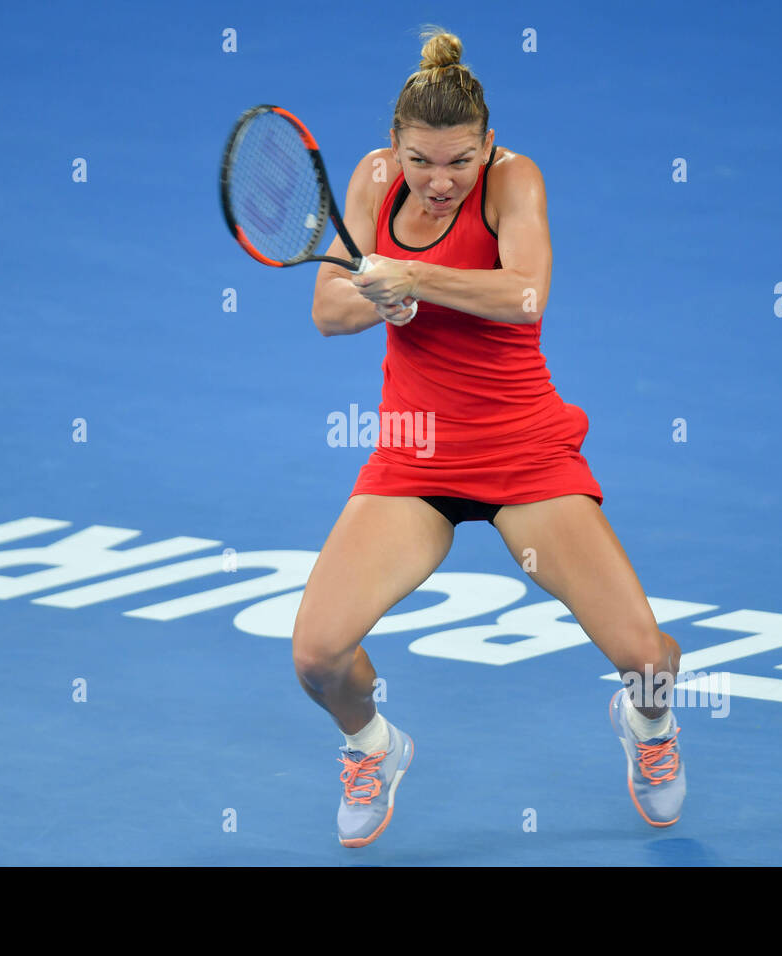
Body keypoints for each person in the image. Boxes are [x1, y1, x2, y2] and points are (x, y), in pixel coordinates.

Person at [302, 26, 685, 848]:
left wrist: (414, 278)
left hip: (524, 456)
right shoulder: (371, 182)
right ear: (393, 146)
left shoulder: (516, 181)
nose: (438, 183)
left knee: (647, 659)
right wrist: (380, 300)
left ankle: (647, 728)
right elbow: (329, 311)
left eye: (459, 162)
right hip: (414, 459)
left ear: (489, 145)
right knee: (319, 656)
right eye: (420, 161)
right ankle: (373, 745)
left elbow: (525, 297)